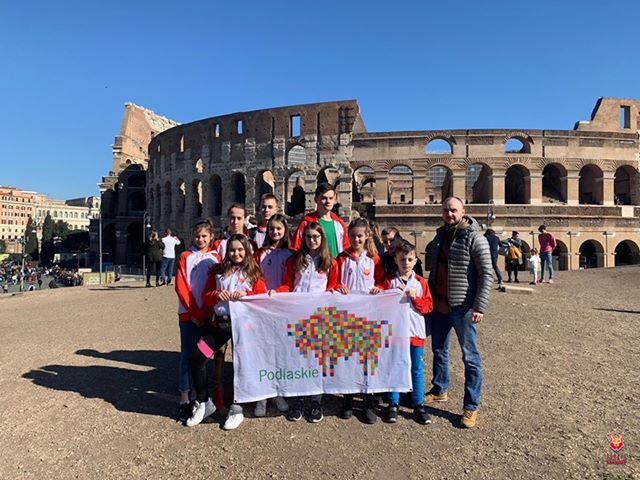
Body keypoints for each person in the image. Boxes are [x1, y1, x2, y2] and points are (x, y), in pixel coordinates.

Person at [188, 234, 267, 430]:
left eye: (240, 250)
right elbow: (206, 297)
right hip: (220, 325)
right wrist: (216, 294)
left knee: (241, 366)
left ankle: (237, 408)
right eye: (232, 250)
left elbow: (262, 298)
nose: (236, 253)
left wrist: (247, 294)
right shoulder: (218, 271)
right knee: (197, 357)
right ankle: (204, 402)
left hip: (245, 327)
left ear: (246, 251)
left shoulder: (254, 273)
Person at [426, 197, 492, 429]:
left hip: (463, 305)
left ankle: (471, 406)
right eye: (446, 210)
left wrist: (480, 306)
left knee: (470, 357)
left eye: (453, 210)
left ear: (463, 212)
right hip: (439, 303)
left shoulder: (475, 237)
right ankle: (440, 389)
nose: (449, 214)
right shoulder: (440, 235)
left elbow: (486, 273)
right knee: (438, 350)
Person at [275, 222, 339, 423]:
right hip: (297, 315)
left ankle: (316, 400)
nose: (312, 240)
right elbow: (288, 284)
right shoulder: (295, 260)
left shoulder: (330, 263)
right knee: (299, 358)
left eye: (316, 237)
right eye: (309, 237)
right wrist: (275, 293)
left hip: (319, 317)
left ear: (322, 239)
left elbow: (332, 287)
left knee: (317, 359)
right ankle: (299, 398)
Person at [335, 218, 384, 424]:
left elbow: (381, 282)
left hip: (368, 315)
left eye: (360, 236)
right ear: (348, 236)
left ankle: (367, 400)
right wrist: (338, 287)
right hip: (347, 315)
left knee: (368, 358)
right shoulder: (341, 258)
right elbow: (334, 281)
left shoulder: (374, 259)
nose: (356, 239)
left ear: (367, 237)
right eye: (353, 236)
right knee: (348, 357)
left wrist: (379, 288)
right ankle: (347, 398)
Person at [381, 240, 433, 425]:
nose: (406, 263)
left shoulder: (420, 282)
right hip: (395, 333)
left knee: (416, 368)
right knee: (395, 366)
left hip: (415, 332)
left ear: (415, 260)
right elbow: (381, 306)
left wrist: (415, 298)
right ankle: (393, 403)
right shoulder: (389, 281)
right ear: (396, 260)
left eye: (410, 259)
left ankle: (418, 404)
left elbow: (428, 307)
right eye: (402, 259)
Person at [174, 220, 221, 421]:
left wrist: (204, 312)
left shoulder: (215, 258)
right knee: (186, 355)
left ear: (211, 237)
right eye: (197, 236)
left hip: (207, 314)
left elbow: (215, 286)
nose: (200, 239)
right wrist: (194, 312)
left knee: (202, 357)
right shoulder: (186, 256)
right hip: (188, 314)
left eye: (204, 236)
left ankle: (198, 396)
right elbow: (181, 286)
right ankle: (184, 396)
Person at [252, 214, 293, 417]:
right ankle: (262, 395)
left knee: (279, 352)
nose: (275, 232)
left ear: (285, 231)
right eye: (272, 229)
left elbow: (292, 281)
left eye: (279, 229)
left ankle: (277, 392)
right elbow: (254, 276)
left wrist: (279, 292)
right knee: (263, 351)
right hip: (263, 306)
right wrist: (263, 293)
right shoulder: (260, 253)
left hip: (282, 307)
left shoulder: (291, 254)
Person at [291, 183, 349, 257]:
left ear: (335, 200)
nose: (328, 201)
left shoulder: (340, 224)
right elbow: (296, 246)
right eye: (324, 198)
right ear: (316, 199)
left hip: (336, 263)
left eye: (331, 198)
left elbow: (346, 249)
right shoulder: (307, 223)